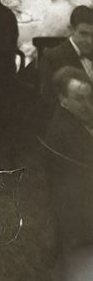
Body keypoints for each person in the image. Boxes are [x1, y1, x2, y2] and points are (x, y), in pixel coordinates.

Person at [42, 66, 93, 254]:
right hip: (79, 212)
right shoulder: (63, 135)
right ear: (62, 99)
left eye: (90, 98)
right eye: (79, 99)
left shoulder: (75, 119)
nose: (88, 105)